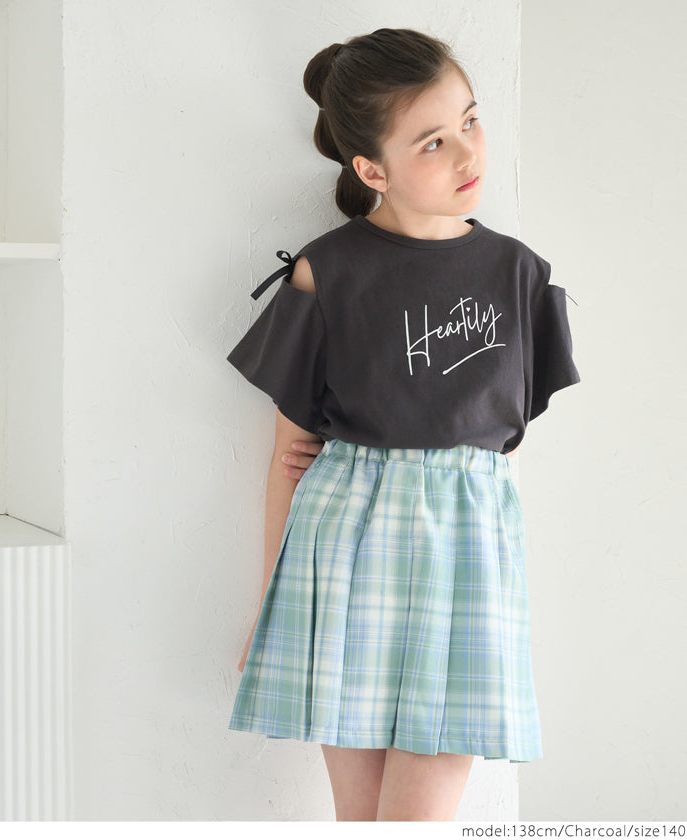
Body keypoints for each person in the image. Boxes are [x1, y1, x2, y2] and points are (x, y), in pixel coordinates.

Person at [225, 27, 581, 821]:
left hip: (466, 564)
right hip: (344, 553)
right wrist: (270, 605)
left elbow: (493, 448)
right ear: (371, 170)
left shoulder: (518, 273)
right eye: (433, 141)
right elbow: (290, 454)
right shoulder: (327, 271)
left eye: (470, 120)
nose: (468, 153)